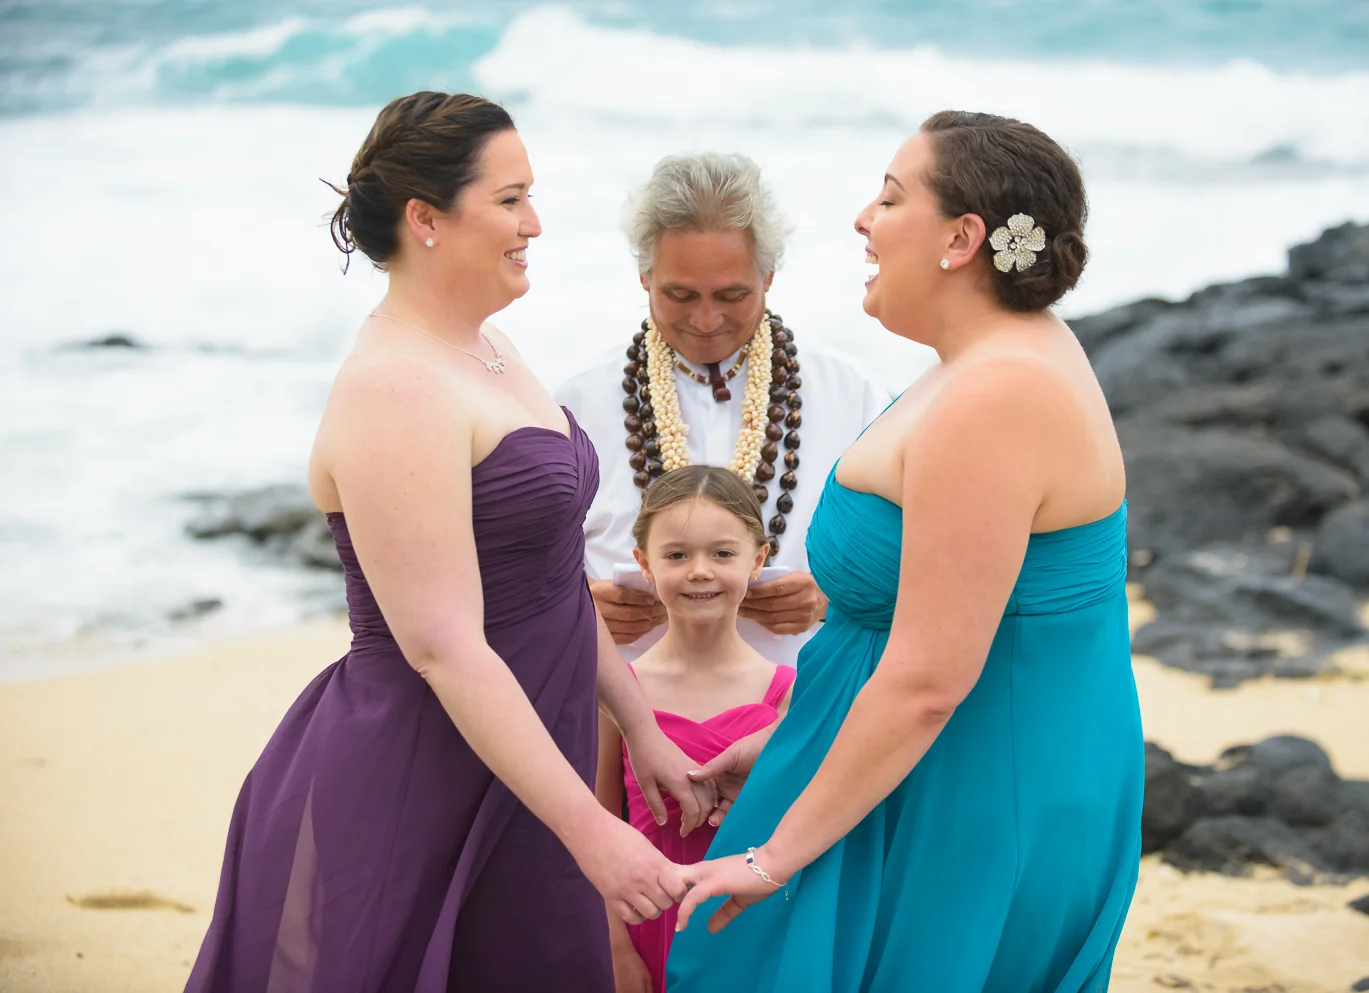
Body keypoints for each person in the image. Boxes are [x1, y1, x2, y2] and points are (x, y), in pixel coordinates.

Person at [186, 92, 714, 993]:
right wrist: (589, 830)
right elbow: (444, 646)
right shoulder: (397, 388)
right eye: (510, 199)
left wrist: (639, 725)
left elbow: (551, 579)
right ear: (425, 218)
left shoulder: (488, 347)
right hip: (423, 774)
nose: (534, 223)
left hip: (529, 761)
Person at [666, 111, 1145, 992]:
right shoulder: (994, 361)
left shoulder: (995, 395)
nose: (863, 220)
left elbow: (929, 679)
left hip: (969, 800)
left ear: (963, 238)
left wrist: (775, 859)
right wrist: (790, 740)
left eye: (890, 197)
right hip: (944, 773)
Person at [556, 153, 891, 667]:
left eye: (732, 294)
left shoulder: (848, 391)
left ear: (769, 276)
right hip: (622, 706)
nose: (706, 319)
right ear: (645, 277)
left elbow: (902, 560)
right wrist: (577, 606)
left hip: (798, 700)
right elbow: (521, 568)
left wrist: (828, 600)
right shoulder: (577, 402)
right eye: (680, 295)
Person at [594, 466, 796, 993]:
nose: (699, 571)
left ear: (757, 561)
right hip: (648, 921)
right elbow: (595, 824)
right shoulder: (618, 690)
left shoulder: (790, 694)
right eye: (677, 555)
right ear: (644, 563)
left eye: (723, 554)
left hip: (756, 920)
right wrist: (614, 945)